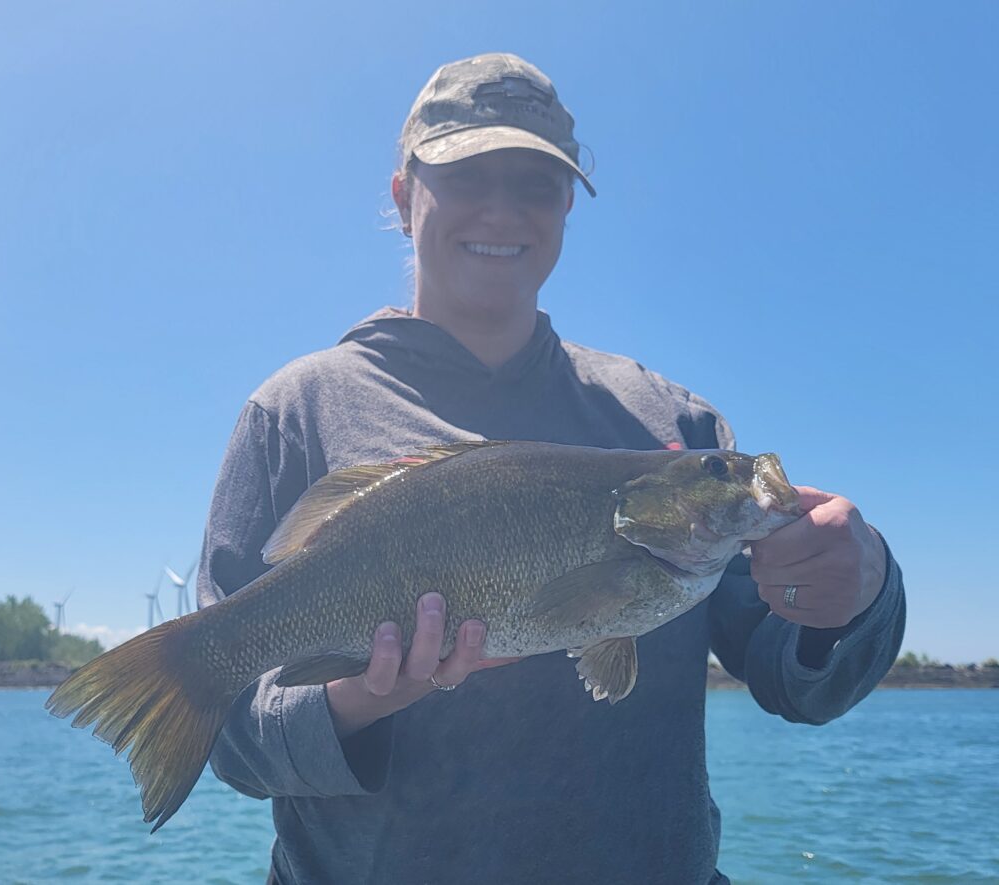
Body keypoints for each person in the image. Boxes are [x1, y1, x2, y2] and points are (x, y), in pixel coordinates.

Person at [197, 53, 905, 885]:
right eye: (465, 174)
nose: (502, 208)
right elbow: (231, 739)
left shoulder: (675, 424)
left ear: (567, 204)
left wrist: (857, 594)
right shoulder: (295, 414)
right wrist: (358, 699)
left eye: (536, 183)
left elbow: (804, 684)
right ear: (402, 194)